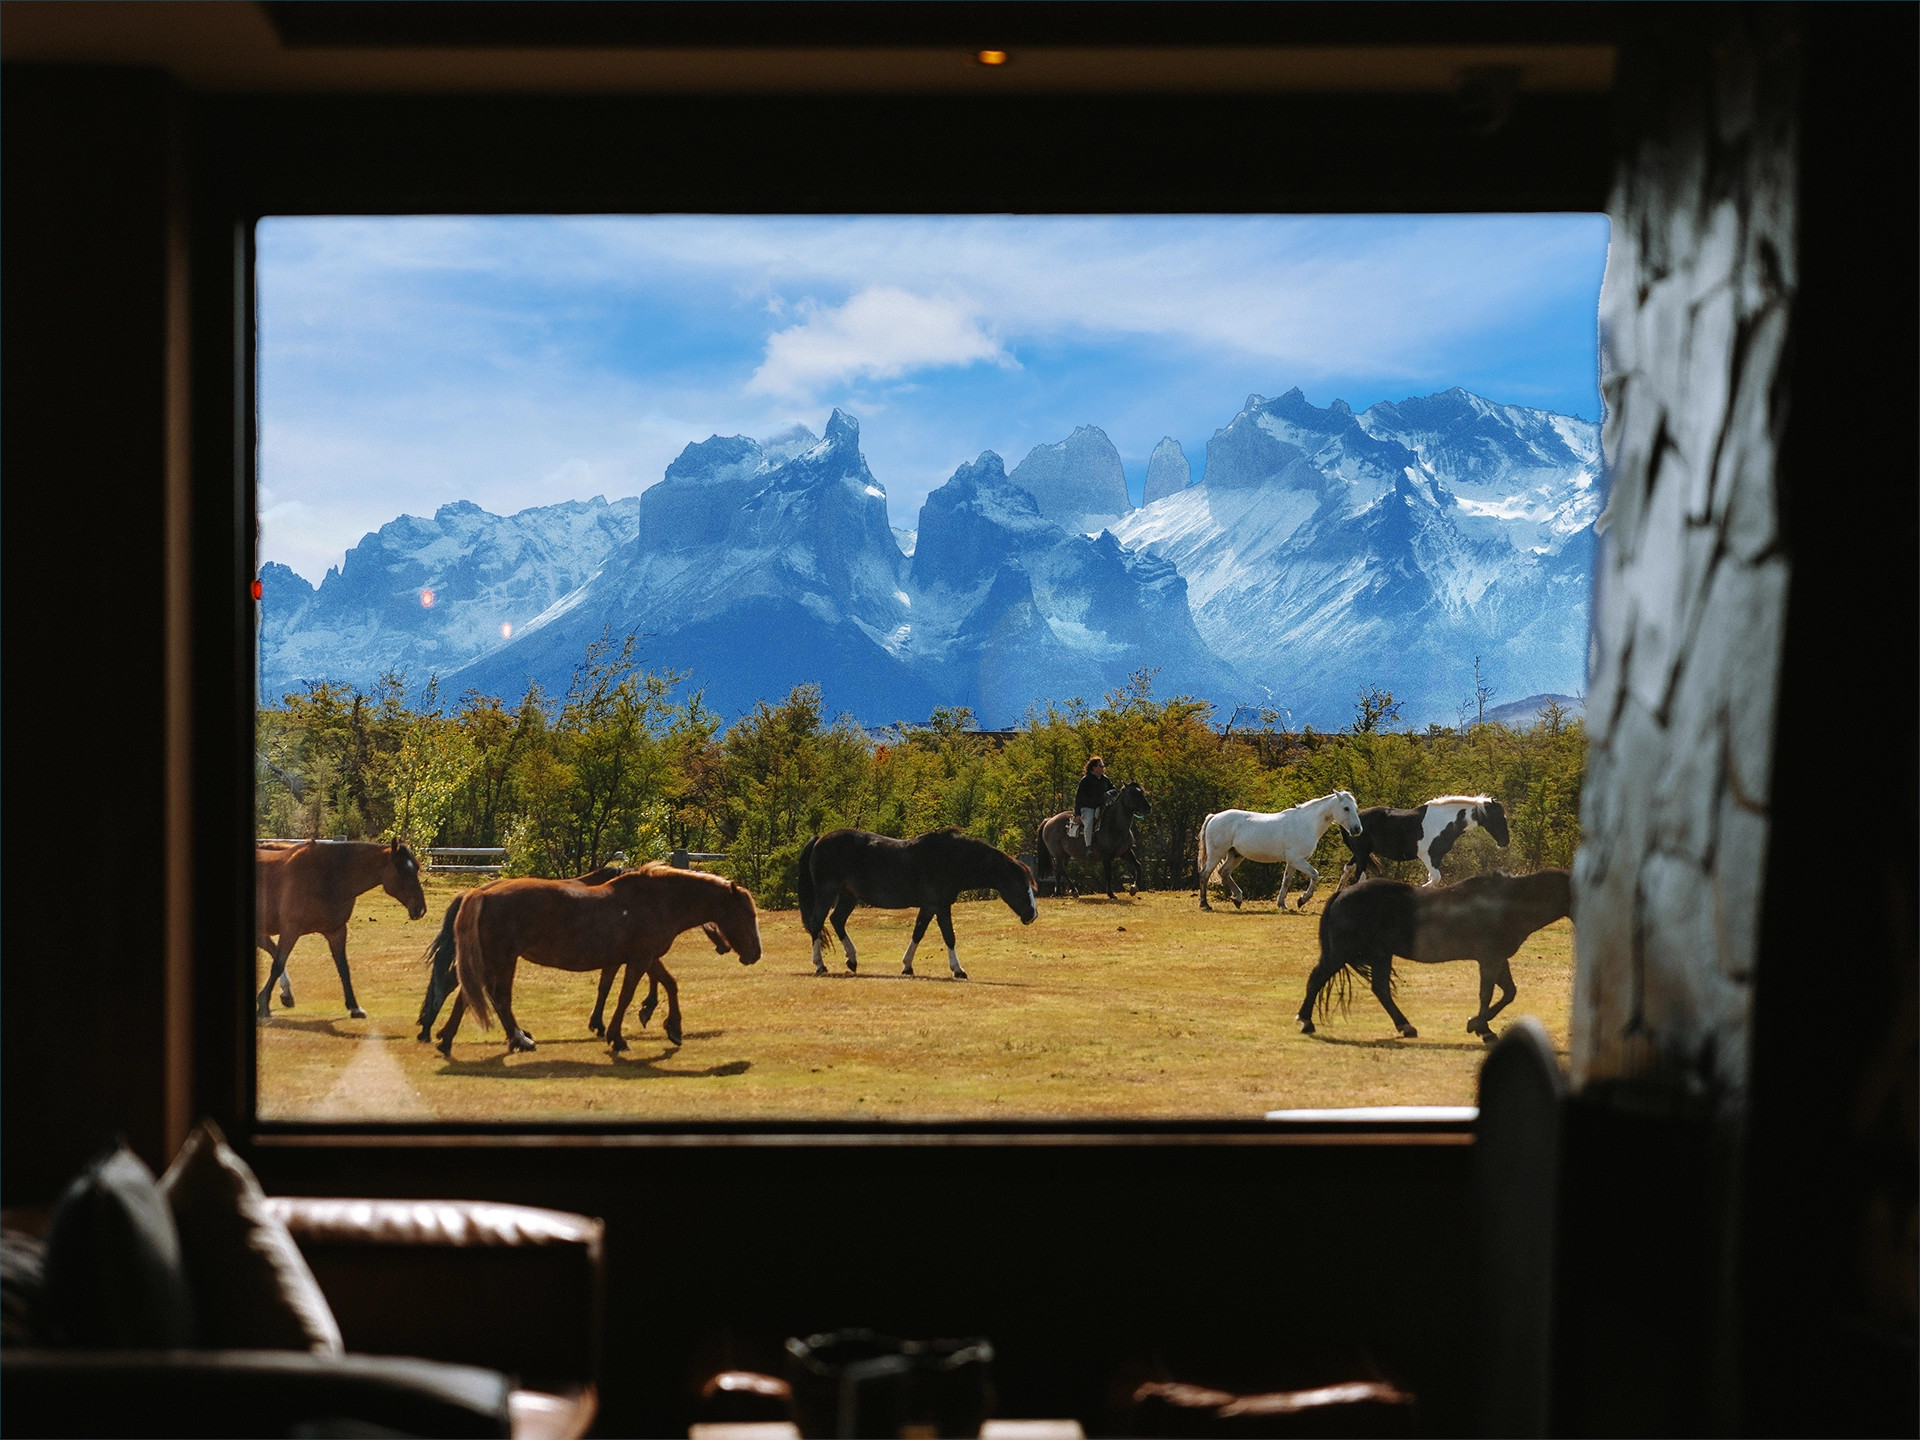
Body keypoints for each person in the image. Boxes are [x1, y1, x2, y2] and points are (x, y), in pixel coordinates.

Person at [1072, 756, 1116, 847]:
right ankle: (1088, 845)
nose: (1103, 768)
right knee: (1089, 822)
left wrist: (1109, 792)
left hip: (1102, 806)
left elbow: (1114, 789)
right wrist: (1077, 813)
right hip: (1088, 808)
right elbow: (1079, 797)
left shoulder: (1105, 779)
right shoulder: (1086, 780)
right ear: (1094, 767)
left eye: (1103, 766)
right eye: (1101, 766)